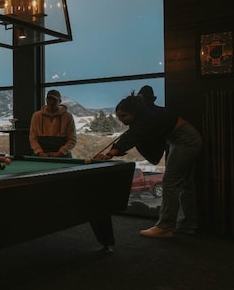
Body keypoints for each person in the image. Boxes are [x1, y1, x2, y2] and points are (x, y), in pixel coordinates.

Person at [95, 93, 203, 238]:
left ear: (134, 112)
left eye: (124, 116)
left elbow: (133, 135)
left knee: (170, 182)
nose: (122, 121)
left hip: (185, 140)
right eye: (119, 117)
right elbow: (146, 93)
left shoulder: (145, 119)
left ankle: (165, 227)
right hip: (184, 138)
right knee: (184, 184)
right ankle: (188, 224)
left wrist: (111, 153)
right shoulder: (145, 111)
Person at [29, 89, 77, 158]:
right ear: (46, 100)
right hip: (41, 154)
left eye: (54, 99)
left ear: (59, 101)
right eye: (49, 99)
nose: (51, 102)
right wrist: (39, 152)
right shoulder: (37, 116)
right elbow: (33, 138)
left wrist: (60, 152)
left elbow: (72, 139)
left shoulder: (67, 116)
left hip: (62, 155)